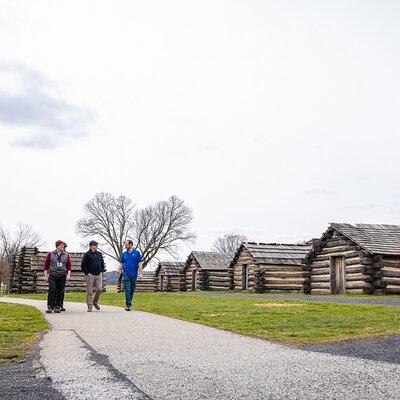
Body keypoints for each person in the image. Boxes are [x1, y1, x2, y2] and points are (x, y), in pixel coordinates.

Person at [44, 240, 72, 313]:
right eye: (60, 245)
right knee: (52, 289)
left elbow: (69, 266)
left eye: (63, 245)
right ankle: (50, 306)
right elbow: (46, 266)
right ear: (57, 246)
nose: (62, 246)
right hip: (53, 275)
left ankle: (58, 306)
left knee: (61, 291)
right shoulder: (51, 254)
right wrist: (46, 276)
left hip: (62, 275)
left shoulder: (66, 255)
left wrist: (68, 275)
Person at [118, 240, 143, 311]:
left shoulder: (137, 253)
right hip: (126, 274)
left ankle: (129, 303)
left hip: (134, 274)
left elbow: (140, 264)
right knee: (127, 290)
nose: (125, 246)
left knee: (132, 290)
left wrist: (141, 273)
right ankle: (128, 305)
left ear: (131, 245)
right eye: (125, 244)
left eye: (126, 244)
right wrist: (118, 269)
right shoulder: (124, 254)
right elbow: (121, 263)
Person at [81, 240, 105, 312]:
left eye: (97, 245)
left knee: (99, 289)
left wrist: (101, 271)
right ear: (91, 246)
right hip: (90, 275)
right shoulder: (87, 254)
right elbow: (83, 265)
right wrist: (87, 273)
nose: (96, 247)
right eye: (95, 245)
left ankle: (95, 302)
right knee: (89, 292)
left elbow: (102, 263)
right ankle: (90, 306)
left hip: (99, 274)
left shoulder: (99, 254)